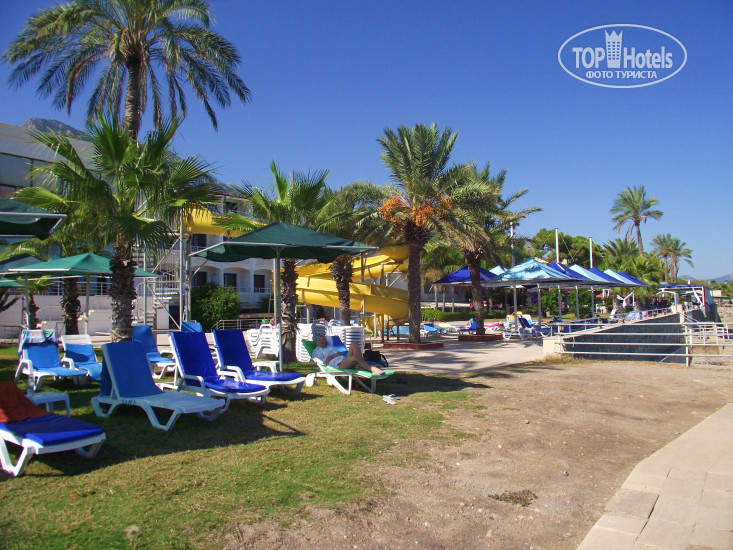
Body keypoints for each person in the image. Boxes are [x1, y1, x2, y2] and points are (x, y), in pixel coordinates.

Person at [313, 336, 385, 375]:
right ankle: (372, 368)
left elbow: (339, 353)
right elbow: (324, 362)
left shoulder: (329, 347)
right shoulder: (316, 351)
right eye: (320, 340)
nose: (322, 341)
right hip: (337, 364)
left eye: (323, 340)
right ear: (316, 343)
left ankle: (362, 364)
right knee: (355, 357)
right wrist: (333, 356)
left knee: (354, 343)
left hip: (343, 359)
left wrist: (334, 355)